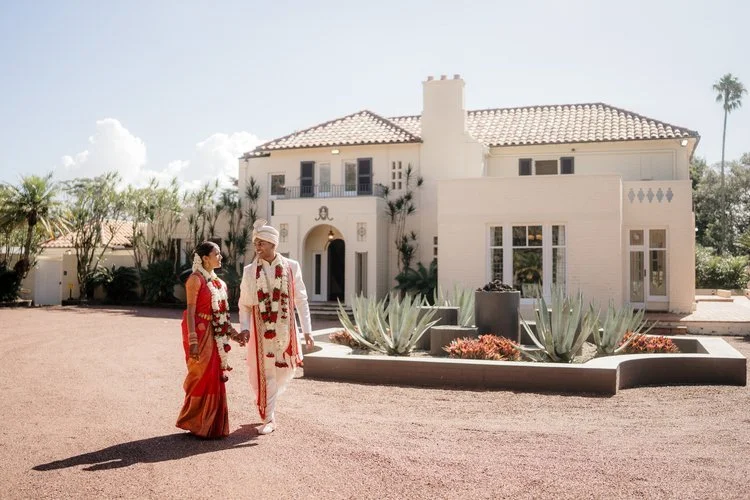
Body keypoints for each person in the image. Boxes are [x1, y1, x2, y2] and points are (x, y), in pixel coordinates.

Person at [239, 219, 314, 435]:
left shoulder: (291, 267)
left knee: (283, 373)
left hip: (285, 330)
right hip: (260, 332)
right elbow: (244, 304)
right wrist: (244, 328)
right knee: (265, 373)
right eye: (256, 244)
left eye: (261, 243)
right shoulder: (249, 271)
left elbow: (301, 300)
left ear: (273, 244)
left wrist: (307, 331)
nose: (258, 248)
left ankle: (269, 403)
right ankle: (269, 418)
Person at [176, 241, 244, 438]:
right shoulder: (195, 280)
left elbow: (222, 315)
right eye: (217, 254)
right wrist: (193, 341)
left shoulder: (219, 283)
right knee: (200, 377)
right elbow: (190, 312)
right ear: (205, 258)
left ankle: (211, 425)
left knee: (214, 376)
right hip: (199, 333)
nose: (220, 257)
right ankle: (195, 422)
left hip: (215, 334)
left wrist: (234, 334)